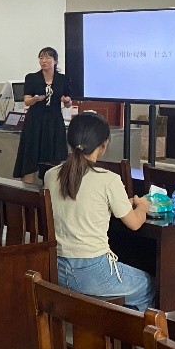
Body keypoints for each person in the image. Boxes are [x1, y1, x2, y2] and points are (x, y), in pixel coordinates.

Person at [45, 112, 155, 311]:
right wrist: (142, 206)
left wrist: (120, 204)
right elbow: (134, 223)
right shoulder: (108, 179)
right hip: (93, 272)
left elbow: (79, 204)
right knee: (147, 284)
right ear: (104, 145)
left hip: (57, 268)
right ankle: (131, 332)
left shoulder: (51, 175)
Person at [14, 46, 72, 183]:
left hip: (54, 122)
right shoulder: (32, 78)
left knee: (53, 158)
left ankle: (50, 190)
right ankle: (27, 190)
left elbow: (69, 102)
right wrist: (34, 99)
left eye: (47, 58)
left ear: (55, 61)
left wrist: (67, 101)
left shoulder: (63, 79)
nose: (43, 61)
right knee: (30, 157)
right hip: (35, 121)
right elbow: (26, 101)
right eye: (41, 58)